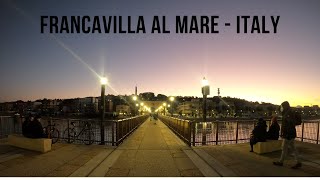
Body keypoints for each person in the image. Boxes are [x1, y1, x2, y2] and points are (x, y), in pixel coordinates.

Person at [273, 101, 302, 169]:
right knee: (292, 148)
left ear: (285, 106)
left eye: (283, 106)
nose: (282, 107)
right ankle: (298, 162)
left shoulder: (288, 113)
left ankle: (281, 162)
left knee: (284, 148)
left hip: (288, 134)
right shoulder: (287, 112)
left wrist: (285, 133)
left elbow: (289, 124)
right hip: (290, 133)